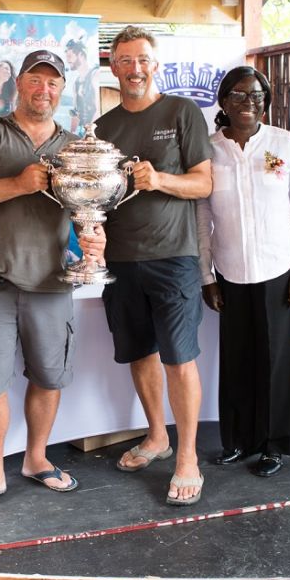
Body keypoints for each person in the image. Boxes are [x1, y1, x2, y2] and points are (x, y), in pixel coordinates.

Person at [0, 49, 106, 516]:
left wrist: (95, 241)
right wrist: (18, 183)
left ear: (62, 89)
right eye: (36, 80)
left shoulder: (76, 147)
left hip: (54, 283)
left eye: (53, 82)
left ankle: (36, 459)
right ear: (20, 84)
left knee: (48, 377)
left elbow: (89, 211)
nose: (45, 90)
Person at [96, 26, 212, 505]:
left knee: (179, 359)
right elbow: (98, 198)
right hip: (121, 260)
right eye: (125, 60)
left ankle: (188, 457)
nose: (135, 68)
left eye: (142, 59)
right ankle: (157, 437)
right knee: (140, 354)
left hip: (173, 257)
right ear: (113, 66)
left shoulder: (182, 112)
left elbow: (203, 184)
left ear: (155, 63)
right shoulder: (104, 129)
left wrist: (159, 178)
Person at [196, 66, 290, 478]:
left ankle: (273, 444)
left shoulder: (281, 143)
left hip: (278, 270)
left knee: (275, 362)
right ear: (224, 101)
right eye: (241, 96)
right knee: (236, 361)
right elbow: (202, 215)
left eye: (258, 96)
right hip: (230, 271)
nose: (251, 103)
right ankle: (238, 440)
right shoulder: (210, 149)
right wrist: (207, 276)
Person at [64, 38, 98, 134]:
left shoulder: (95, 75)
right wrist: (71, 135)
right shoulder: (76, 83)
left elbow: (98, 110)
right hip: (81, 133)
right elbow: (75, 113)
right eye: (66, 56)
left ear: (81, 55)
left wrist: (89, 135)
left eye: (70, 56)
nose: (67, 60)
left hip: (94, 133)